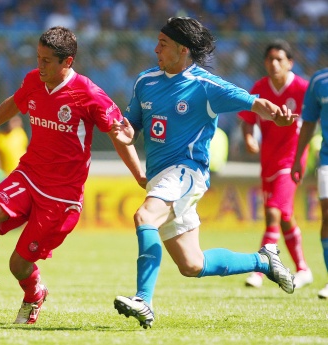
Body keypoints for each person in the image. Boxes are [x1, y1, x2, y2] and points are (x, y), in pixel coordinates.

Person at [110, 17, 297, 329]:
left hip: (187, 172)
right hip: (161, 178)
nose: (155, 48)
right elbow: (131, 128)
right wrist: (125, 132)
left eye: (163, 44)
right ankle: (263, 260)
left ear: (183, 50)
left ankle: (143, 300)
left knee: (145, 217)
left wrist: (275, 116)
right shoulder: (145, 81)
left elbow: (253, 103)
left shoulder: (206, 86)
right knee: (192, 264)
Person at [0, 26, 142, 324]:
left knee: (19, 265)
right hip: (29, 174)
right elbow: (14, 103)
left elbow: (120, 137)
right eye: (38, 58)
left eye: (46, 61)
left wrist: (140, 176)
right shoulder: (34, 80)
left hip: (62, 195)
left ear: (67, 62)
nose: (39, 66)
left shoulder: (89, 94)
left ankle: (34, 295)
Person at [238, 39, 312, 289]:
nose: (274, 63)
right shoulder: (260, 87)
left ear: (290, 62)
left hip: (291, 160)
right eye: (270, 59)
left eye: (280, 59)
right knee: (285, 217)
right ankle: (303, 268)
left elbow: (315, 119)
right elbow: (247, 118)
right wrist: (249, 138)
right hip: (268, 160)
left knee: (272, 212)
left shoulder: (302, 89)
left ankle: (260, 269)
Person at [292, 67, 328, 299]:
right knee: (327, 215)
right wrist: (298, 159)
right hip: (327, 158)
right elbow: (308, 122)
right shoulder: (319, 80)